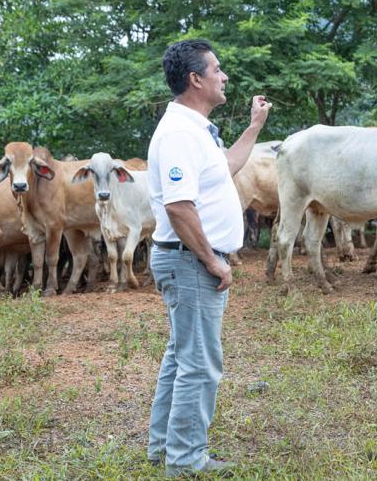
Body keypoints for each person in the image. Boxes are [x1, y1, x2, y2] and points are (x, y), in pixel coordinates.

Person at [146, 38, 271, 476]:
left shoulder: (195, 130)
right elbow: (179, 207)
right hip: (190, 261)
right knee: (199, 364)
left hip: (187, 259)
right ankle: (185, 460)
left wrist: (254, 126)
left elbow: (226, 167)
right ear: (196, 79)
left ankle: (163, 448)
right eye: (217, 70)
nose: (224, 77)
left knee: (181, 356)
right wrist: (213, 260)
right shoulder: (180, 134)